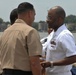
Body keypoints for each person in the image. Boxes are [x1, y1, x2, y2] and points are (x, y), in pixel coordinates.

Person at [0, 2, 42, 75]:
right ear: (30, 13)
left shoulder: (5, 32)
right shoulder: (30, 31)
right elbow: (34, 62)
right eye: (34, 15)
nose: (34, 18)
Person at [41, 6, 76, 75]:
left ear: (59, 19)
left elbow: (73, 57)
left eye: (50, 18)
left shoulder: (64, 35)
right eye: (47, 17)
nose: (47, 20)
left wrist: (51, 63)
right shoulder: (52, 34)